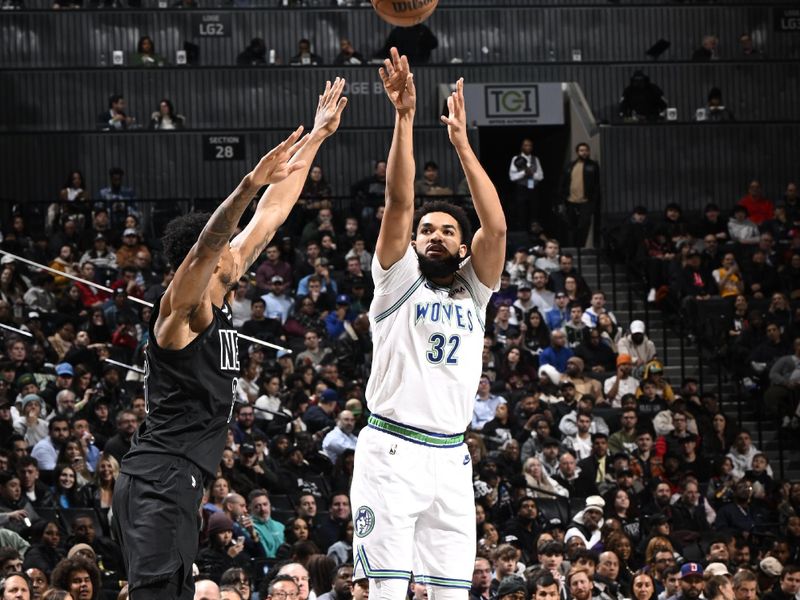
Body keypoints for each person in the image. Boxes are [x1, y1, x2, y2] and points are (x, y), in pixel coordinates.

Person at [110, 79, 348, 600]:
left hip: (175, 480)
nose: (243, 252)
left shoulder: (220, 288)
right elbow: (207, 246)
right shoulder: (182, 315)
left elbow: (273, 211)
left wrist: (318, 136)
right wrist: (244, 187)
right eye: (228, 250)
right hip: (158, 481)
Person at [350, 52, 506, 597]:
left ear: (462, 248)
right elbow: (398, 200)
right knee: (388, 593)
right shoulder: (398, 279)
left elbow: (497, 226)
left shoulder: (473, 289)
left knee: (452, 593)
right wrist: (405, 117)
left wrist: (463, 144)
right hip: (392, 451)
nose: (434, 235)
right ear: (414, 243)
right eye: (426, 230)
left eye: (446, 231)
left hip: (452, 456)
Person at [559, 143, 601, 248]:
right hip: (570, 200)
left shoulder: (593, 165)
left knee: (584, 226)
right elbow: (563, 182)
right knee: (570, 225)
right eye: (581, 150)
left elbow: (597, 184)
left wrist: (594, 200)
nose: (584, 152)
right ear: (577, 152)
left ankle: (581, 247)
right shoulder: (570, 165)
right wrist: (562, 198)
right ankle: (571, 248)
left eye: (586, 150)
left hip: (586, 201)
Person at [508, 138, 544, 231]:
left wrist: (532, 174)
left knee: (534, 211)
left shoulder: (535, 159)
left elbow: (540, 176)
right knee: (521, 212)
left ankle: (534, 233)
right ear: (522, 147)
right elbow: (512, 177)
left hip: (533, 188)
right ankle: (522, 232)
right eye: (526, 145)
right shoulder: (516, 159)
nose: (528, 147)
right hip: (521, 189)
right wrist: (524, 173)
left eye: (530, 145)